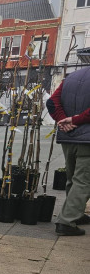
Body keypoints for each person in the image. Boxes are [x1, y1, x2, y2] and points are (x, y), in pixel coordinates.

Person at [46, 68, 90, 236]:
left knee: (72, 178)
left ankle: (76, 214)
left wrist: (63, 121)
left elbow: (52, 102)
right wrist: (75, 120)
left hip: (68, 137)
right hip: (87, 140)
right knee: (84, 181)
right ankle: (67, 221)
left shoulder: (72, 77)